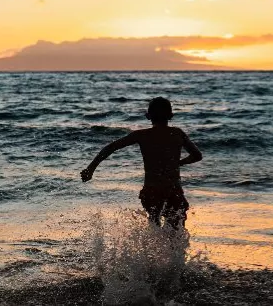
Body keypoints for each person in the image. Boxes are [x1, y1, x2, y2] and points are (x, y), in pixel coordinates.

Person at [80, 97, 202, 229]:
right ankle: (175, 250)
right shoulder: (177, 133)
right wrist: (179, 163)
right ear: (171, 116)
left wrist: (91, 168)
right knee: (176, 227)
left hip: (151, 190)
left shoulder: (142, 135)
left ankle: (151, 248)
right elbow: (197, 155)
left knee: (154, 224)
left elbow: (110, 148)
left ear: (148, 116)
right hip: (173, 189)